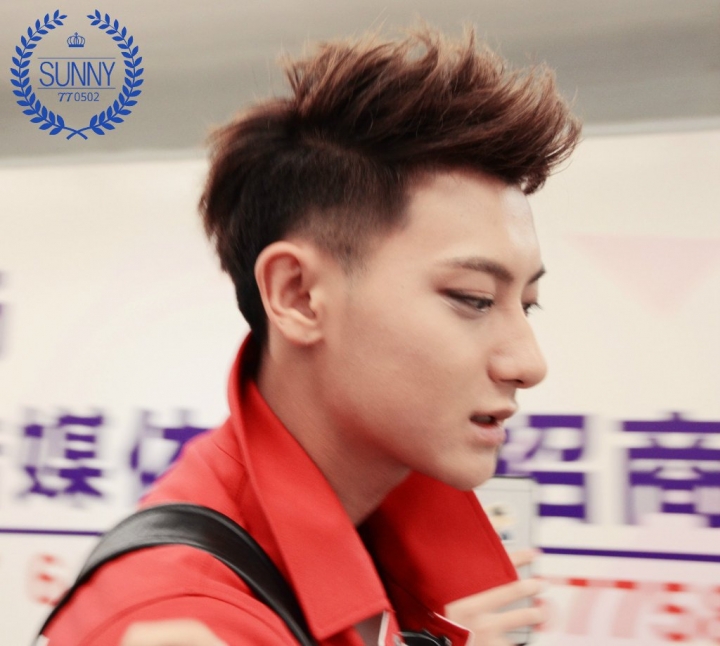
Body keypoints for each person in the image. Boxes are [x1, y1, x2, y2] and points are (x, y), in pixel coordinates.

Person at [40, 26, 580, 646]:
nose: (528, 363)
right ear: (296, 294)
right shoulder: (185, 620)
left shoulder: (416, 567)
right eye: (474, 299)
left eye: (527, 305)